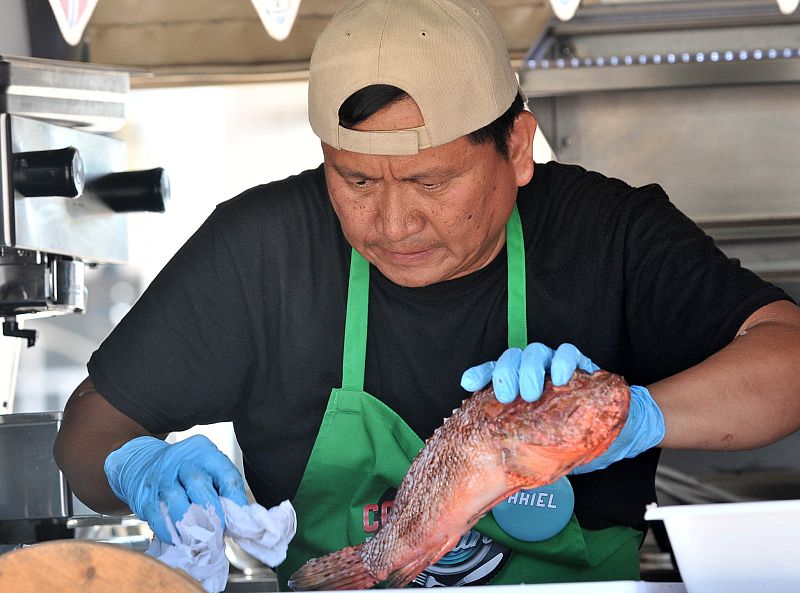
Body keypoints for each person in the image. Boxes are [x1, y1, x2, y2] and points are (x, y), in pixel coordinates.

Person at [54, 0, 800, 589]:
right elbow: (85, 433)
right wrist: (139, 466)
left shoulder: (607, 232)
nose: (393, 222)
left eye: (430, 182)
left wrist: (637, 418)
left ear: (517, 146)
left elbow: (788, 358)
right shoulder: (262, 248)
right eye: (354, 181)